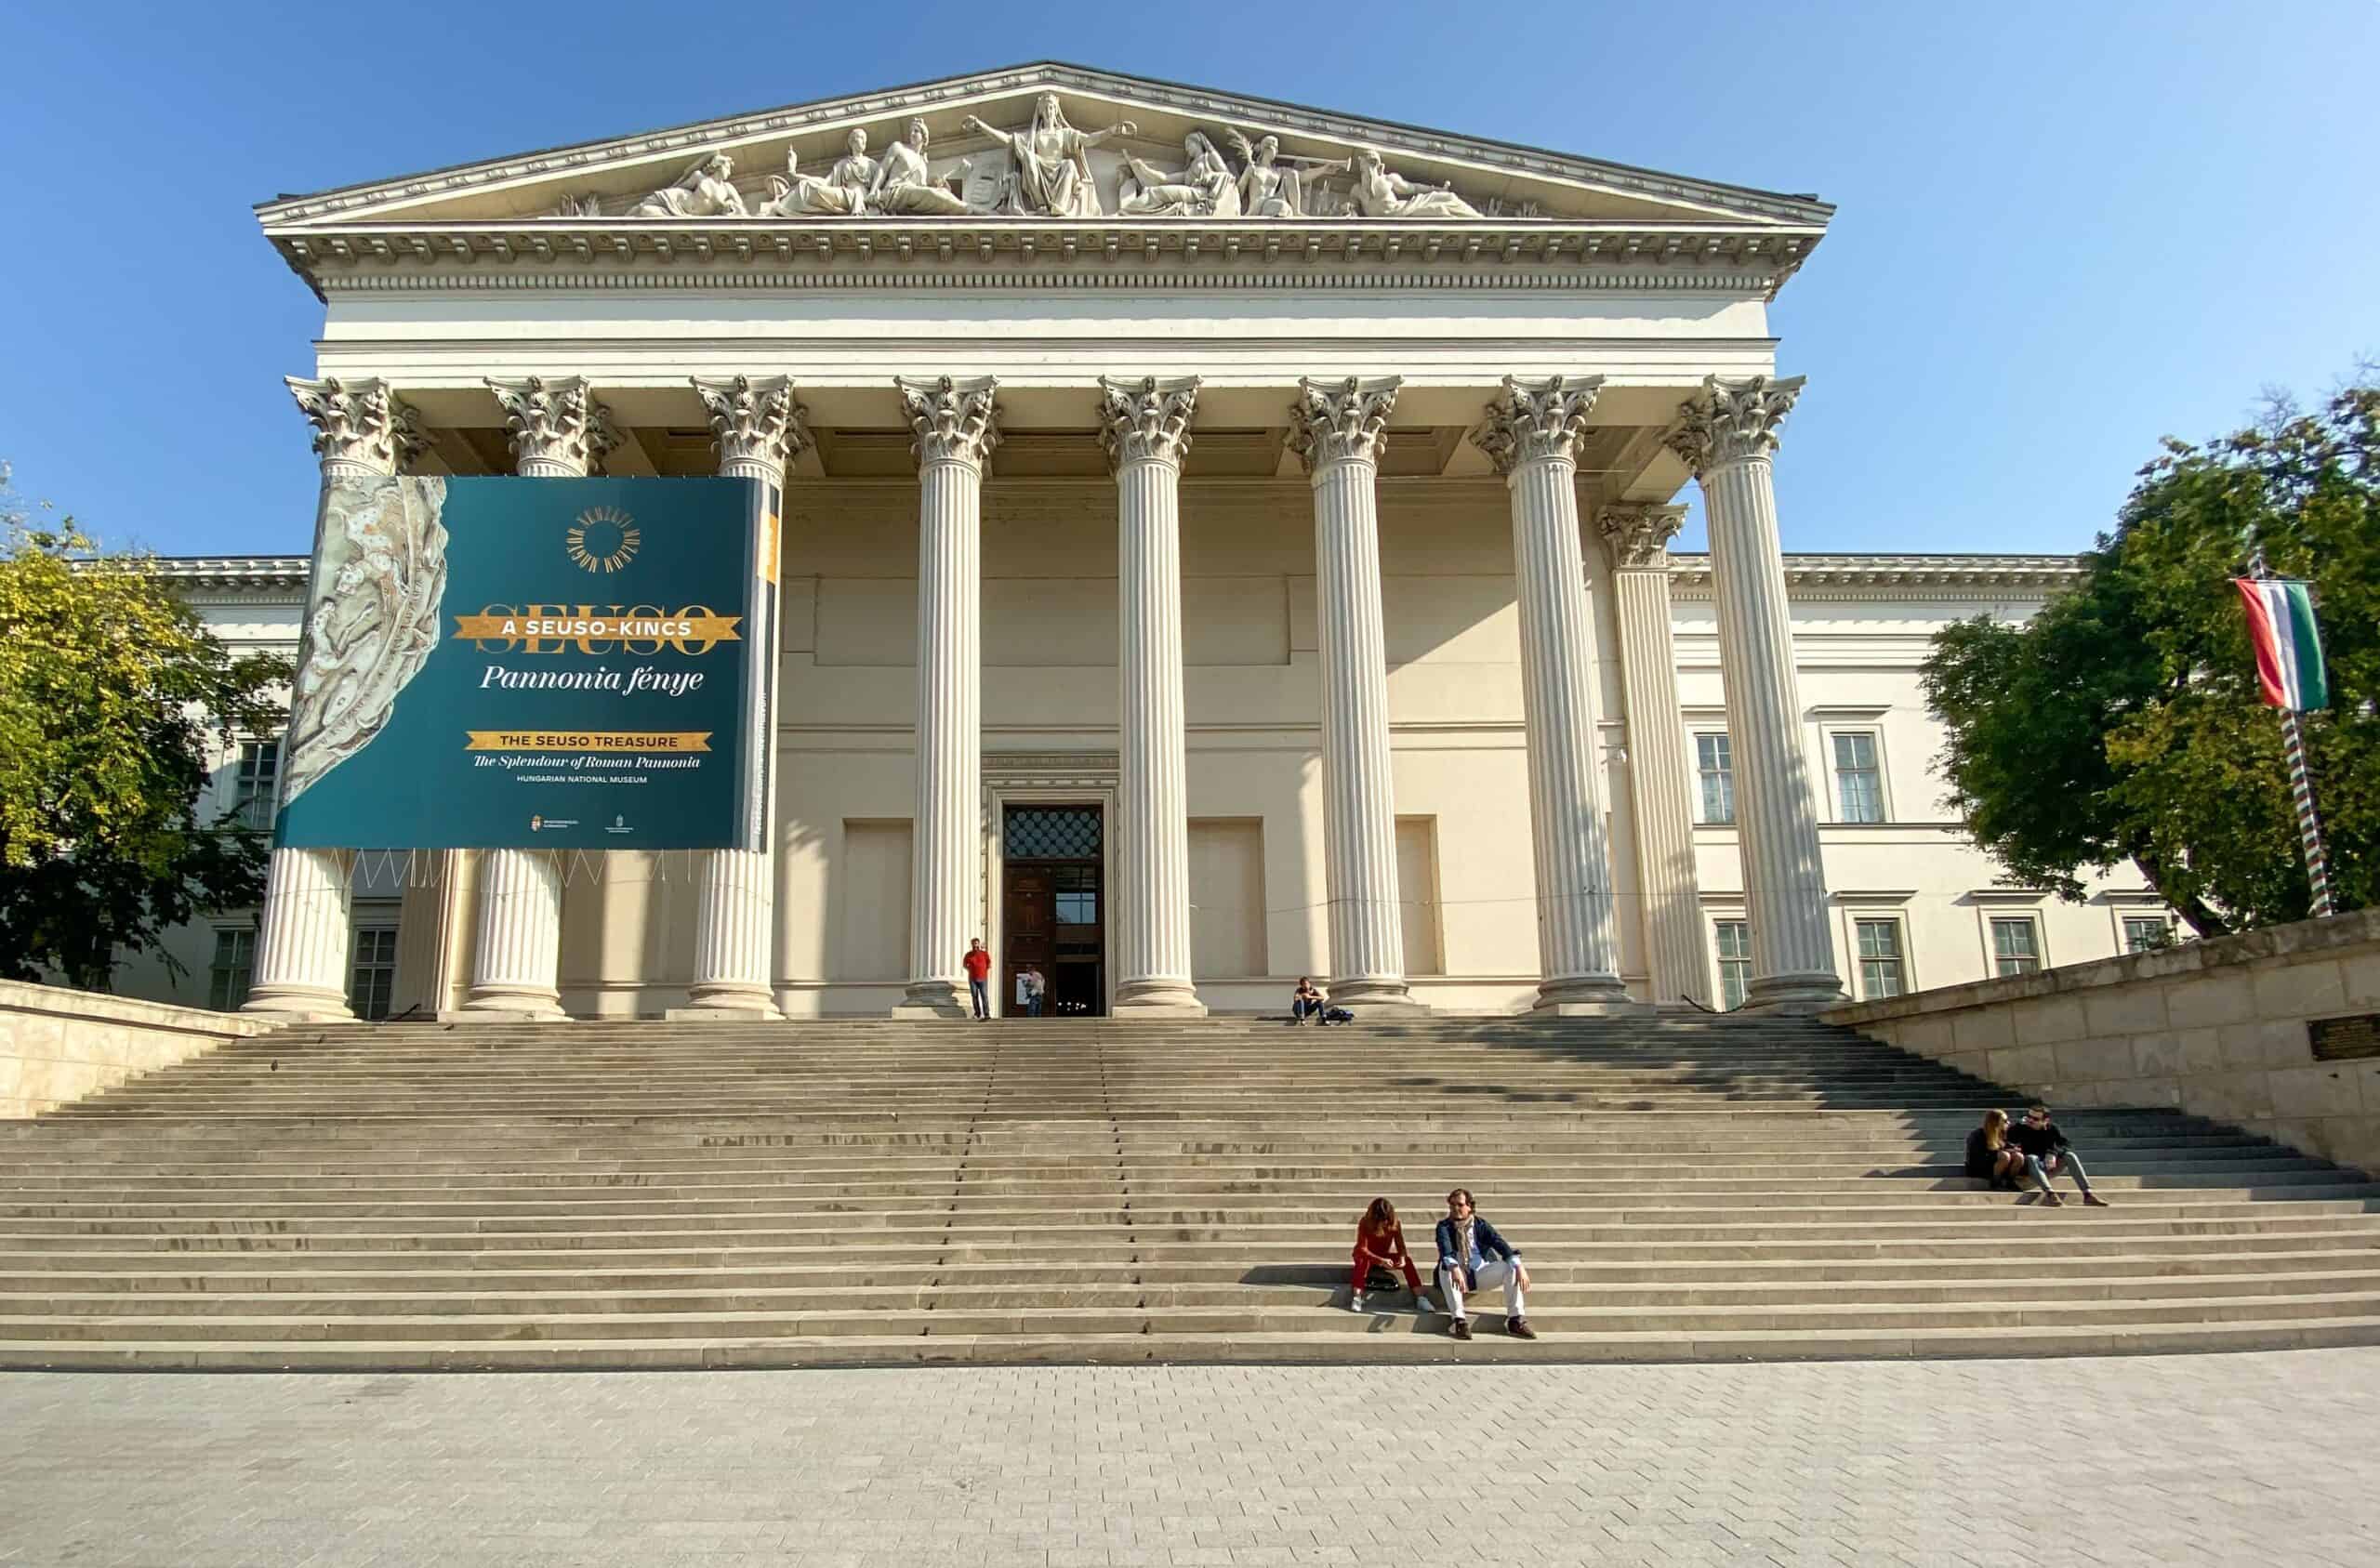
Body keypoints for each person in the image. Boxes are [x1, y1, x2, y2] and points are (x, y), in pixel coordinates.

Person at [1434, 1188, 1534, 1339]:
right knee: (1446, 1266)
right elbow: (1445, 1250)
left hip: (1480, 1274)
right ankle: (1459, 1321)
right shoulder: (1444, 1226)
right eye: (1452, 1205)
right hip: (1455, 1277)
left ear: (1469, 1206)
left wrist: (1519, 1266)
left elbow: (1501, 1245)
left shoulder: (1480, 1225)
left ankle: (1515, 1320)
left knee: (1510, 1266)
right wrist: (1455, 1268)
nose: (1455, 1209)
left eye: (1460, 1205)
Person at [2008, 1102, 2111, 1208]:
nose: (2030, 1120)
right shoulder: (2021, 1128)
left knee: (2070, 1156)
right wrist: (2018, 1125)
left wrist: (2053, 1153)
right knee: (2032, 1157)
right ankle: (2050, 1194)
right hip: (2029, 1168)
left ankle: (2088, 1194)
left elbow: (2067, 1145)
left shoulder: (2052, 1129)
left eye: (2035, 1119)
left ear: (2046, 1121)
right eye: (2029, 1117)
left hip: (2048, 1165)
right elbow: (2009, 1140)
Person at [1346, 1197, 1433, 1314]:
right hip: (1366, 1256)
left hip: (1383, 1256)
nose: (1384, 1222)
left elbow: (1400, 1245)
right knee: (1363, 1262)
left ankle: (1420, 1297)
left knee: (1407, 1261)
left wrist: (1402, 1258)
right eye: (1381, 1218)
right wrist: (1380, 1260)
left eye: (1386, 1218)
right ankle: (1357, 1297)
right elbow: (1362, 1249)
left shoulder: (1394, 1223)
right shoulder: (1365, 1223)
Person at [1964, 1109, 2028, 1192]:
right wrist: (1999, 1152)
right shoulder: (1978, 1135)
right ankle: (1996, 1183)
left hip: (1999, 1165)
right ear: (1995, 1122)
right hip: (1980, 1167)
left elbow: (2009, 1146)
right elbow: (1976, 1157)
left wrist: (2013, 1149)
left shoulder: (2003, 1134)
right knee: (2005, 1155)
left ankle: (2010, 1182)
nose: (2008, 1123)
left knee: (2019, 1156)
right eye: (2005, 1121)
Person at [962, 939, 992, 1021]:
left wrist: (984, 969)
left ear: (978, 944)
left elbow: (989, 963)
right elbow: (964, 964)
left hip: (983, 978)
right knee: (974, 996)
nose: (975, 945)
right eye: (974, 943)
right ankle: (977, 1013)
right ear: (972, 944)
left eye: (976, 943)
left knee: (984, 996)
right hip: (972, 979)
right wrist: (970, 969)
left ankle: (987, 1014)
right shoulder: (968, 955)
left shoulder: (984, 954)